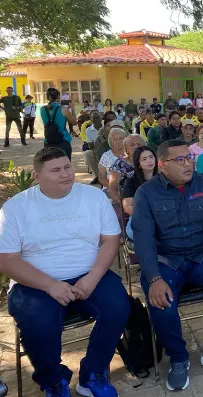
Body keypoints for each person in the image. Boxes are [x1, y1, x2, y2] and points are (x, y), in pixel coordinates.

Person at [0, 147, 129, 397]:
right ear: (37, 176)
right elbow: (7, 259)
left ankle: (93, 373)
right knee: (39, 326)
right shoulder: (15, 208)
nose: (65, 174)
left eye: (67, 166)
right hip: (34, 282)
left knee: (118, 307)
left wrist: (92, 277)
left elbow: (111, 240)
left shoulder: (94, 197)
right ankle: (54, 381)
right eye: (55, 170)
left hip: (89, 273)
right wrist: (50, 285)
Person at [132, 140, 203, 389]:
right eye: (179, 159)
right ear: (162, 166)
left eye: (189, 158)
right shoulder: (146, 193)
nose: (188, 163)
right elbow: (143, 240)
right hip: (166, 261)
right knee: (161, 302)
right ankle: (178, 358)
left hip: (202, 254)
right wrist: (153, 278)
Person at [122, 146, 158, 240]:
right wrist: (149, 218)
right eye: (144, 159)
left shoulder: (164, 179)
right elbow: (127, 207)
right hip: (141, 218)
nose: (149, 161)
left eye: (151, 157)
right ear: (138, 164)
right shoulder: (131, 182)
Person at [107, 134, 145, 204]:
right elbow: (112, 189)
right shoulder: (120, 164)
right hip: (128, 202)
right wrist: (123, 205)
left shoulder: (150, 161)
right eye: (132, 145)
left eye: (139, 144)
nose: (136, 147)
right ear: (126, 149)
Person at [40, 88, 76, 159]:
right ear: (58, 97)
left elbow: (52, 114)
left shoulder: (42, 109)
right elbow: (74, 122)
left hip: (48, 141)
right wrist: (73, 109)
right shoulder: (63, 109)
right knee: (65, 165)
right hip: (62, 140)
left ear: (47, 97)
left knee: (51, 166)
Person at [84, 112, 104, 184]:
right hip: (97, 150)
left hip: (109, 149)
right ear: (91, 119)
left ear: (101, 118)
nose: (96, 119)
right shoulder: (88, 130)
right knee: (87, 153)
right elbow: (90, 146)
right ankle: (97, 176)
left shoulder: (106, 127)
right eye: (94, 118)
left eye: (97, 117)